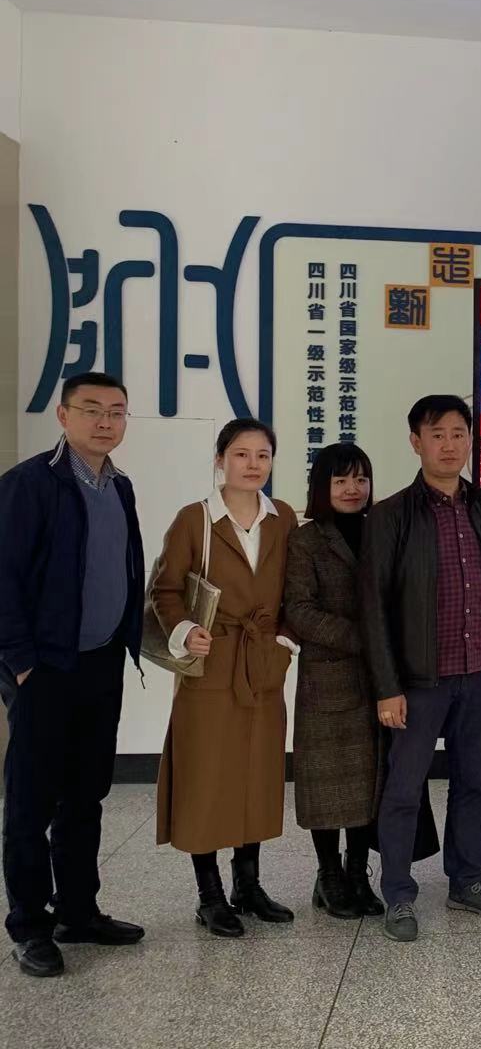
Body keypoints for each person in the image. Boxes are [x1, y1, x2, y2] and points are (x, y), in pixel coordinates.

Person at [361, 395, 481, 942]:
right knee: (404, 791)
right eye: (437, 434)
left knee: (476, 784)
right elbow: (374, 608)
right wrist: (387, 687)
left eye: (458, 434)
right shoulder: (391, 515)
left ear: (471, 440)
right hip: (419, 681)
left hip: (478, 677)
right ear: (416, 442)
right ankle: (398, 895)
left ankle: (467, 880)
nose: (449, 445)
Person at [0, 373, 146, 978]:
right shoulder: (30, 483)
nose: (105, 422)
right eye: (92, 410)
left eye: (116, 411)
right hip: (45, 667)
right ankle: (29, 925)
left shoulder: (120, 486)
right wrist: (21, 662)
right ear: (63, 416)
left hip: (101, 662)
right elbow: (4, 578)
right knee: (31, 802)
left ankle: (78, 911)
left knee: (87, 794)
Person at [153, 418, 300, 938]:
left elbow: (297, 587)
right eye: (241, 454)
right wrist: (185, 629)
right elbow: (165, 590)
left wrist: (284, 640)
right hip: (212, 664)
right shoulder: (194, 519)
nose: (253, 464)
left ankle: (248, 884)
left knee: (257, 774)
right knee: (207, 778)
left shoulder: (283, 518)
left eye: (263, 455)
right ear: (220, 460)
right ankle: (210, 895)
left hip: (262, 666)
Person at [284, 442, 383, 920]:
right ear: (321, 487)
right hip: (327, 679)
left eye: (360, 479)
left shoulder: (380, 531)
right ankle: (328, 877)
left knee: (367, 785)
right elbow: (299, 611)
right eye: (340, 480)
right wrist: (366, 638)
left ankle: (357, 872)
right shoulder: (305, 540)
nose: (352, 489)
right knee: (324, 786)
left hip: (378, 682)